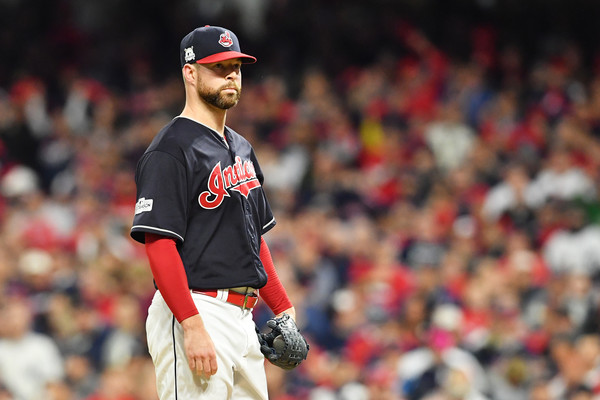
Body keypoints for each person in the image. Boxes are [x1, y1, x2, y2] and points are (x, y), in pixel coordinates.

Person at [130, 25, 296, 399]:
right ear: (190, 72)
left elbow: (253, 240)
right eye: (218, 67)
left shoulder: (241, 147)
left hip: (243, 316)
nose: (231, 75)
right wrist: (191, 324)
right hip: (196, 307)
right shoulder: (169, 150)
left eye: (235, 66)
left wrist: (283, 307)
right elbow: (159, 245)